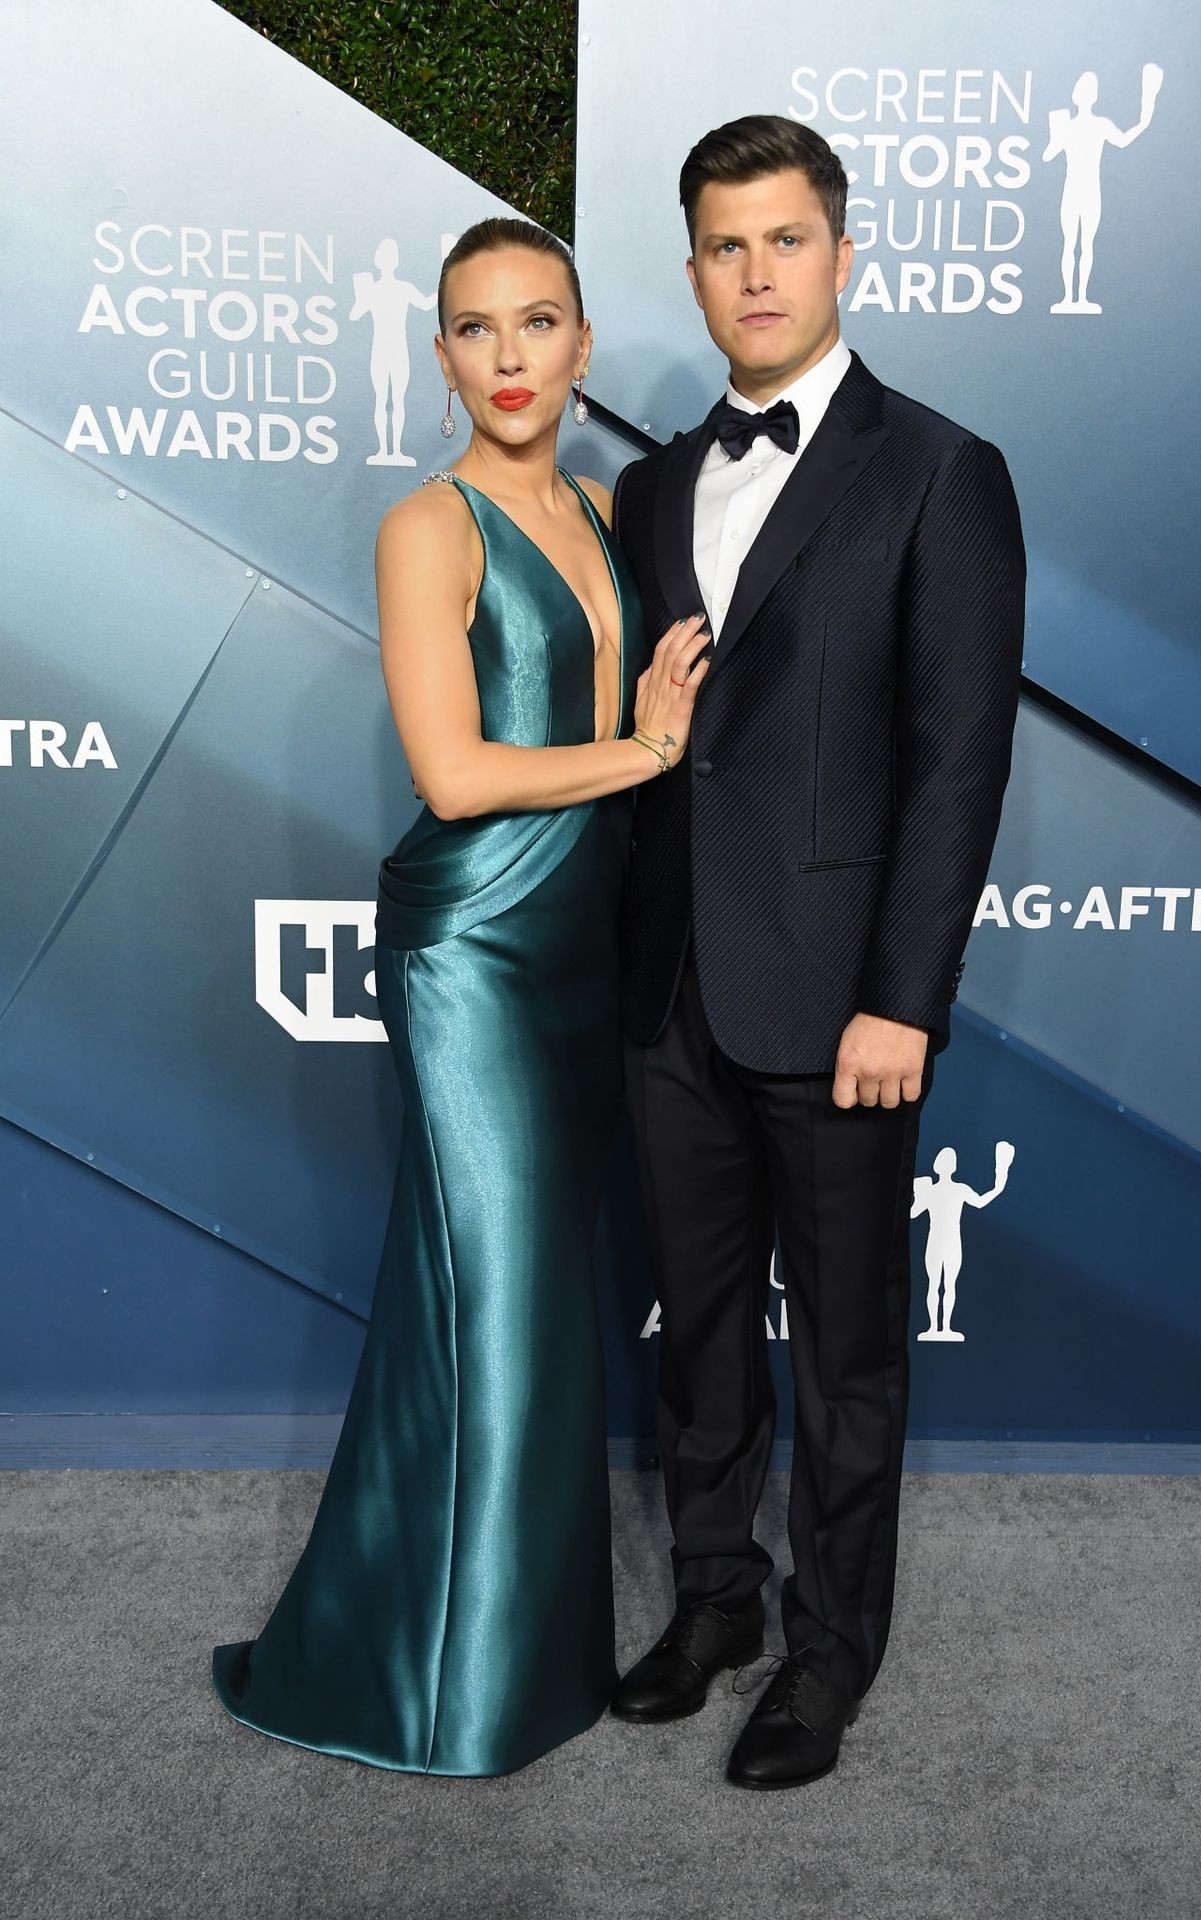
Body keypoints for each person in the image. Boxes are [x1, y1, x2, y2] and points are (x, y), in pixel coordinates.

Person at [211, 217, 709, 1778]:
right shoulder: (428, 529)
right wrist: (645, 750)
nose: (509, 357)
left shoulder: (608, 509)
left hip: (586, 943)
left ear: (581, 345)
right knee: (496, 1295)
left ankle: (518, 1644)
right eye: (477, 330)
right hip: (476, 948)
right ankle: (455, 1692)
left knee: (537, 1300)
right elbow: (454, 772)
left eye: (537, 322)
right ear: (440, 358)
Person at [608, 116, 1027, 1790]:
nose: (757, 272)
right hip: (670, 990)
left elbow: (957, 762)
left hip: (843, 1003)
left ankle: (830, 1652)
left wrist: (899, 1001)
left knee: (846, 1358)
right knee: (698, 1332)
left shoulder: (941, 469)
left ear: (844, 254)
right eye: (726, 245)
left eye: (786, 239)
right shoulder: (650, 486)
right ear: (694, 269)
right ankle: (715, 1599)